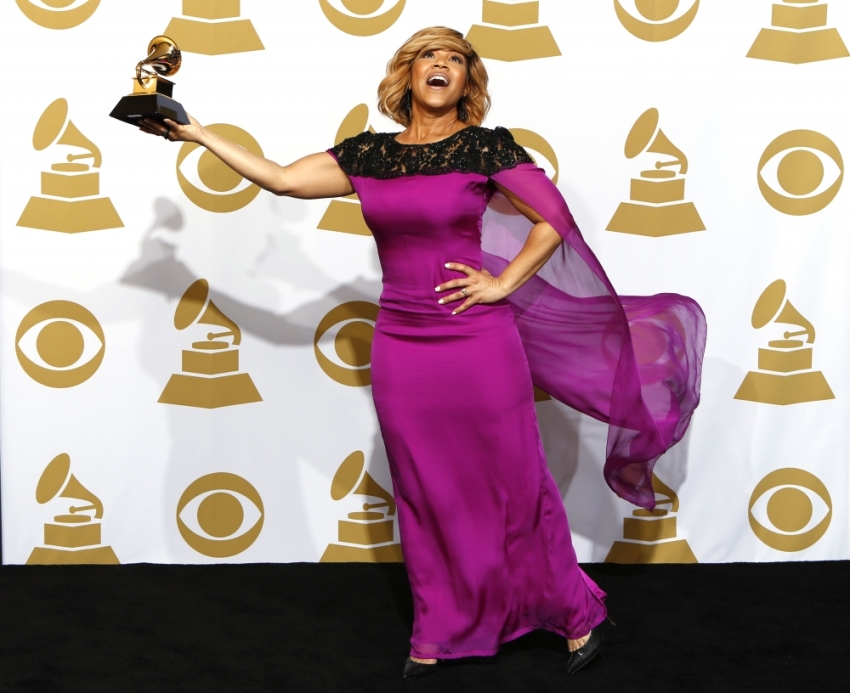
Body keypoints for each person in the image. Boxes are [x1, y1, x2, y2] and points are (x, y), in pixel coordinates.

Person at [140, 27, 705, 678]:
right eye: (430, 57)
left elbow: (553, 220)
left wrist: (501, 283)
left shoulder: (486, 149)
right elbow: (284, 180)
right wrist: (197, 132)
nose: (442, 65)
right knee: (423, 487)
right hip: (401, 346)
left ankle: (576, 615)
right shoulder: (369, 156)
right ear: (407, 75)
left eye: (456, 60)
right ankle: (436, 628)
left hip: (479, 342)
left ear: (468, 82)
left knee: (514, 483)